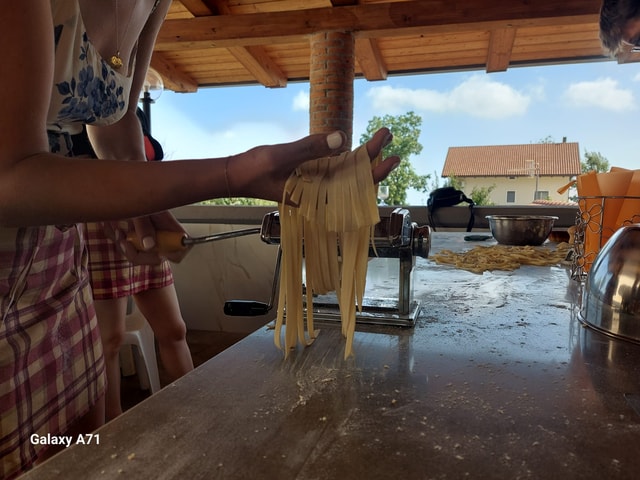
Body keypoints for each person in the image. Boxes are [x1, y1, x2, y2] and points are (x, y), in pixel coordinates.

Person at [0, 1, 399, 477]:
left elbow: (116, 121)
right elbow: (10, 179)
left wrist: (142, 206)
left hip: (58, 265)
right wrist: (232, 174)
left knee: (72, 448)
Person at [74, 115, 193, 421]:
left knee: (174, 329)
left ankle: (198, 409)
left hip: (145, 219)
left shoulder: (129, 108)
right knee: (109, 340)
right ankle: (112, 430)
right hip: (99, 225)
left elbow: (145, 163)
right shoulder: (80, 111)